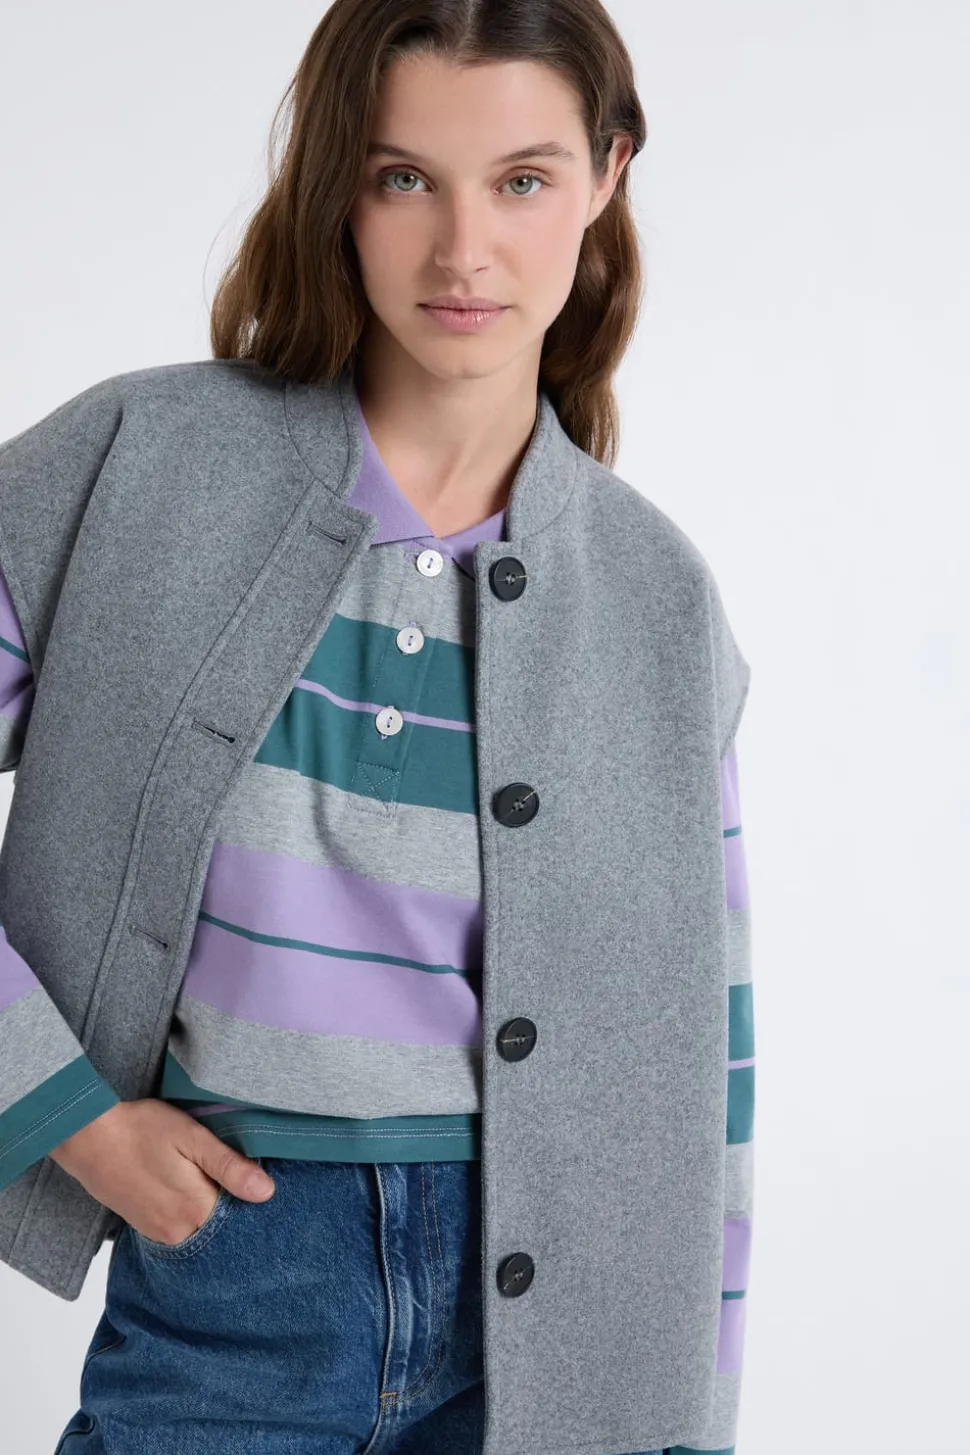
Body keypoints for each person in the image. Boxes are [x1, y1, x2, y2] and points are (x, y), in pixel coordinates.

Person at [0, 3, 754, 1453]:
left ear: (607, 174)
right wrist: (64, 1115)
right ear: (336, 183)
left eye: (522, 180)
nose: (463, 249)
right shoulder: (141, 463)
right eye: (404, 177)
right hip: (236, 1278)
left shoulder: (657, 599)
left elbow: (706, 1070)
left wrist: (690, 1430)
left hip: (556, 1339)